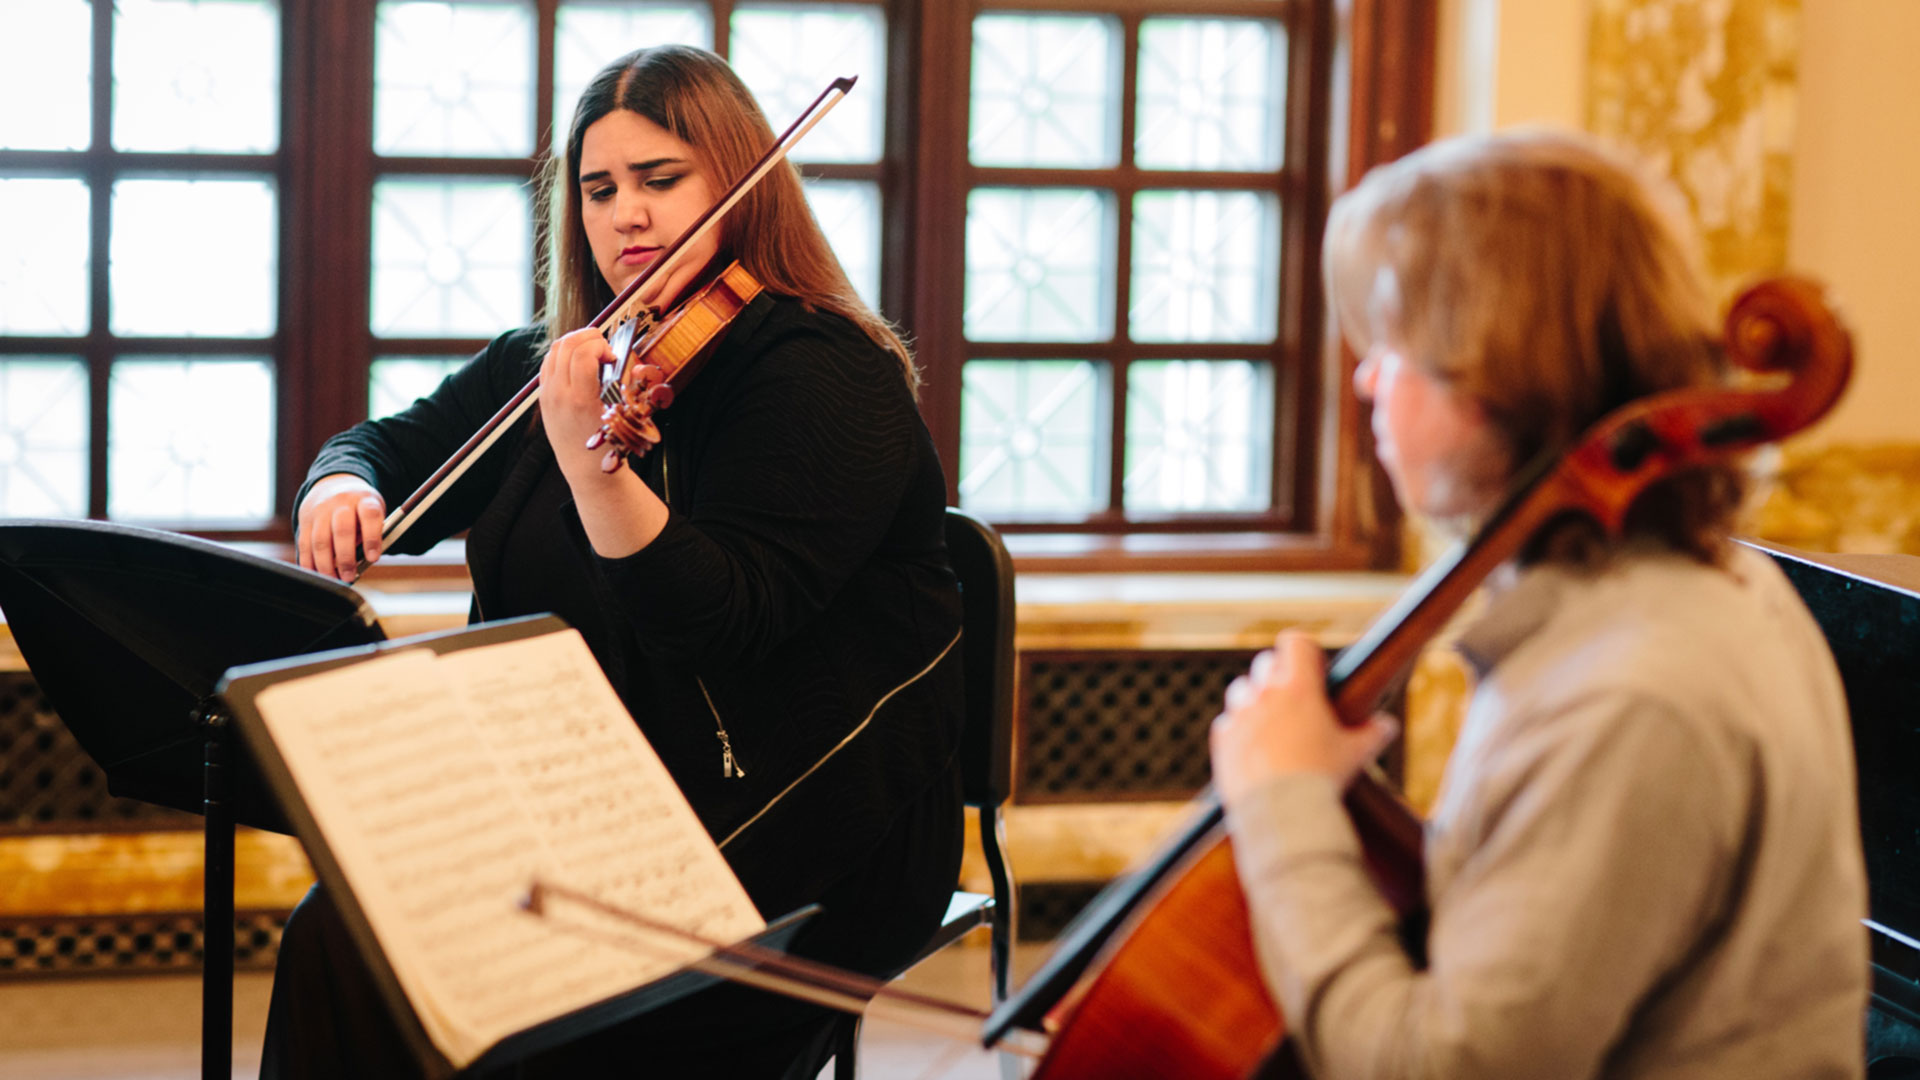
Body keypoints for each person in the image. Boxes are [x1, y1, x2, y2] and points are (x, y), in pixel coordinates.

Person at [268, 44, 964, 1079]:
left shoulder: (826, 374)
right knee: (343, 930)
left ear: (740, 182)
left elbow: (717, 618)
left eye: (660, 180)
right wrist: (341, 486)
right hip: (586, 787)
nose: (625, 215)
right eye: (598, 189)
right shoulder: (561, 360)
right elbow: (385, 448)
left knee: (523, 992)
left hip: (801, 810)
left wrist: (588, 460)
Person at [1209, 130, 1870, 1078]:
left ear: (1497, 378)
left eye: (1395, 348)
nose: (1366, 380)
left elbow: (1439, 1067)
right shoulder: (1683, 593)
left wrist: (1282, 804)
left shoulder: (1633, 692)